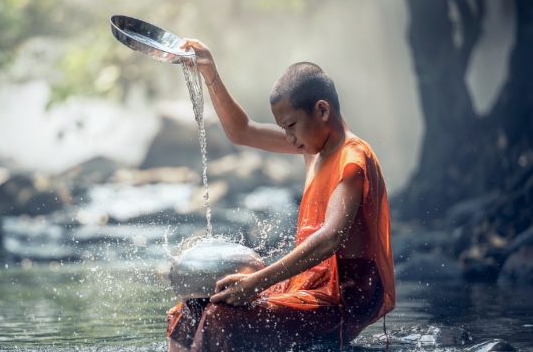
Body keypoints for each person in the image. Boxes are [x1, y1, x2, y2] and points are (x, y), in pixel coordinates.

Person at [166, 39, 396, 352]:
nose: (288, 138)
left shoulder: (352, 159)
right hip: (302, 287)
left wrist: (256, 282)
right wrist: (210, 73)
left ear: (322, 110)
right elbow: (242, 131)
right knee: (191, 308)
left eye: (291, 126)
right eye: (282, 128)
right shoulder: (312, 144)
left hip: (337, 305)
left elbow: (331, 237)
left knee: (220, 316)